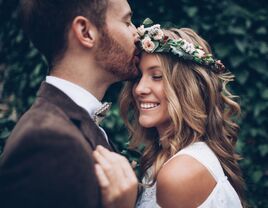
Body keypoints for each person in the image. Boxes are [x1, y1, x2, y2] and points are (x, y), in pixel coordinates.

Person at [0, 0, 139, 207]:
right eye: (127, 22)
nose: (137, 33)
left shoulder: (67, 124)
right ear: (85, 32)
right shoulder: (48, 141)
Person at [93, 22, 246, 207]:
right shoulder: (167, 159)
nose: (139, 89)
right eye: (137, 77)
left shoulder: (180, 172)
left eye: (157, 77)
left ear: (188, 88)